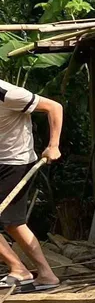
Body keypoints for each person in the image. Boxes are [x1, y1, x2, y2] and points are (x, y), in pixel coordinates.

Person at [0, 80, 63, 291]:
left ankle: (26, 271)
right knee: (12, 223)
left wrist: (53, 146)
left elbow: (54, 107)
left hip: (15, 161)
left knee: (13, 222)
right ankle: (34, 272)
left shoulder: (9, 94)